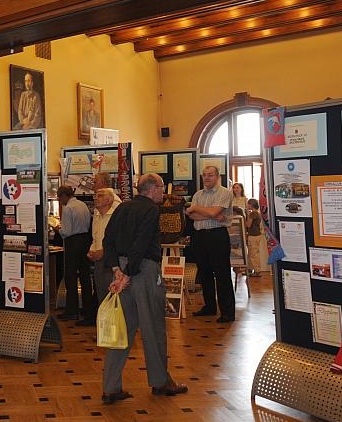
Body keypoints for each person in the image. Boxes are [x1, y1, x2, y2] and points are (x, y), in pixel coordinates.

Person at [102, 173, 187, 404]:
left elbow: (107, 239)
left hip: (121, 269)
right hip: (143, 271)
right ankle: (161, 382)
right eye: (161, 187)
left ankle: (110, 387)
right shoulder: (150, 210)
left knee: (122, 330)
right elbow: (140, 243)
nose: (163, 192)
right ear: (152, 189)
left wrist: (116, 270)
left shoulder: (122, 208)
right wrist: (128, 274)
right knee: (153, 328)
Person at [186, 165, 235, 323]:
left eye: (210, 175)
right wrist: (211, 215)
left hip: (218, 237)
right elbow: (192, 216)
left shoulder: (225, 193)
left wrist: (197, 208)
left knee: (222, 274)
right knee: (204, 273)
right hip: (199, 237)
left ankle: (227, 312)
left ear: (217, 177)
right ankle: (209, 307)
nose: (206, 178)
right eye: (204, 175)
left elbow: (210, 212)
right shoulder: (198, 194)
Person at [55, 185, 93, 323]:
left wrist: (58, 229)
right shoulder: (83, 205)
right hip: (85, 241)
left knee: (70, 277)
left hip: (72, 242)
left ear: (65, 195)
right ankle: (88, 309)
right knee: (85, 276)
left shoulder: (68, 208)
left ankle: (72, 310)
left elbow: (66, 231)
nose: (60, 200)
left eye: (60, 197)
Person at [86, 188, 121, 318]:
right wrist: (92, 250)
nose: (95, 198)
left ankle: (114, 329)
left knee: (111, 294)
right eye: (95, 195)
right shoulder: (96, 214)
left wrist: (103, 252)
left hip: (111, 261)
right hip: (98, 261)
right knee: (101, 294)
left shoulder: (116, 215)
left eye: (100, 196)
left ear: (108, 200)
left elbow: (119, 239)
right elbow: (95, 237)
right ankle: (104, 329)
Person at [245, 198, 263, 277]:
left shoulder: (252, 214)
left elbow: (248, 224)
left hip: (253, 235)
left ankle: (257, 271)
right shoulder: (257, 213)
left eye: (248, 204)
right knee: (252, 253)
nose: (247, 205)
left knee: (253, 254)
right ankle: (250, 269)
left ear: (251, 205)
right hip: (257, 235)